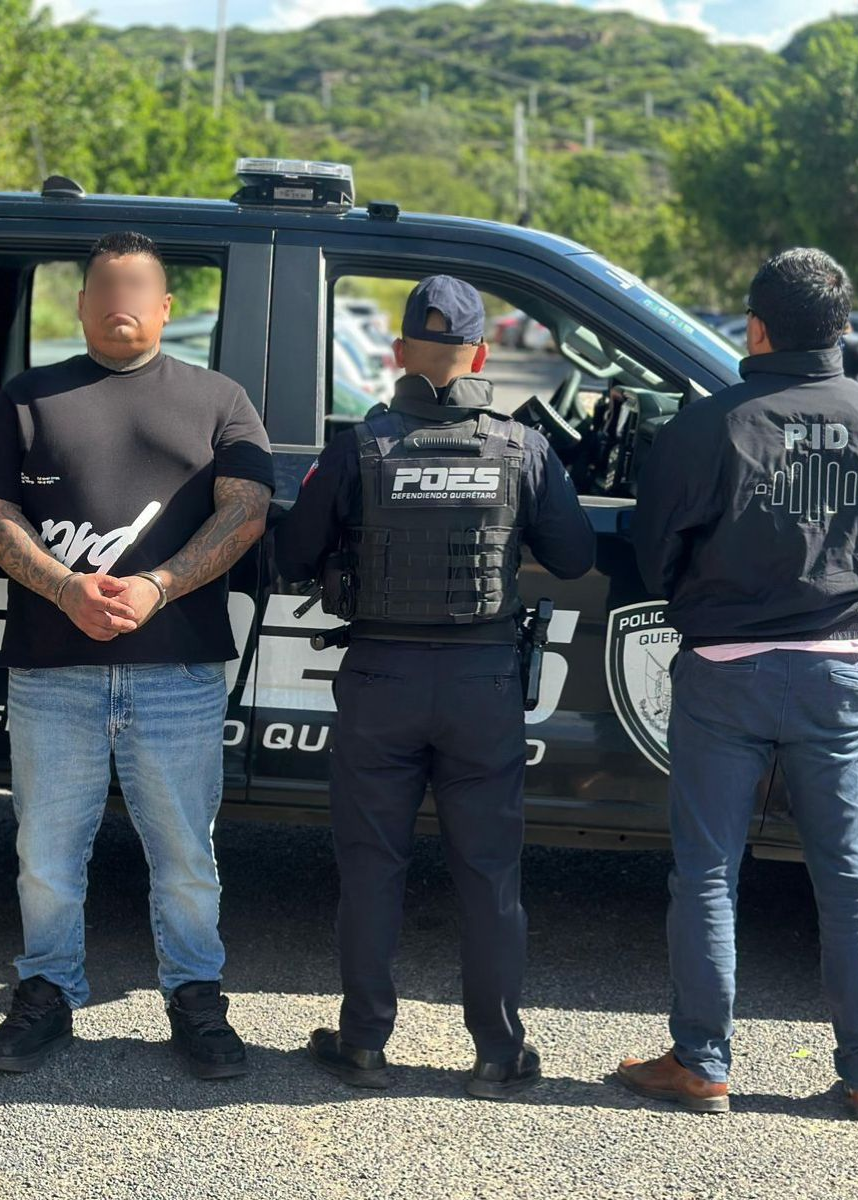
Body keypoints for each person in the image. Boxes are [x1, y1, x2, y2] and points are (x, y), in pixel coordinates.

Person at [623, 248, 858, 1121]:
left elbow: (655, 551)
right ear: (842, 329)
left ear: (756, 328)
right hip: (840, 673)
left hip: (725, 674)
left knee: (707, 874)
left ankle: (702, 1063)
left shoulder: (708, 425)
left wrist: (704, 606)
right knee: (851, 879)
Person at [0, 231, 274, 1079]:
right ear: (80, 304)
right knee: (46, 854)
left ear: (166, 307)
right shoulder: (29, 398)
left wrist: (160, 585)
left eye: (136, 288)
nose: (119, 302)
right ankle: (47, 992)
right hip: (51, 672)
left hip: (178, 672)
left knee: (185, 857)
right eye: (103, 287)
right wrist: (66, 587)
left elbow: (246, 509)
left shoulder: (218, 399)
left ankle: (196, 999)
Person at [276, 277, 594, 1098]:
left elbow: (293, 553)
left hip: (380, 678)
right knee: (489, 872)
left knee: (371, 867)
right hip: (482, 682)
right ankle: (498, 1053)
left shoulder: (359, 446)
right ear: (481, 357)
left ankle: (363, 1046)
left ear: (398, 355)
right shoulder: (523, 448)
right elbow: (574, 557)